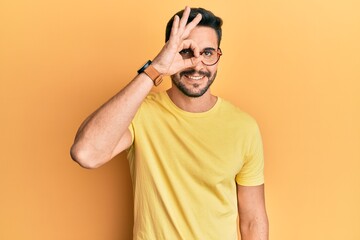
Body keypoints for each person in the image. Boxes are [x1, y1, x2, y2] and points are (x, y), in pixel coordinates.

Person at [70, 6, 269, 240]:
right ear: (170, 51)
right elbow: (85, 153)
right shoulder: (140, 112)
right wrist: (156, 69)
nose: (197, 64)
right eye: (186, 51)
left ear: (218, 55)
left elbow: (253, 219)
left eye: (207, 53)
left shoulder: (243, 127)